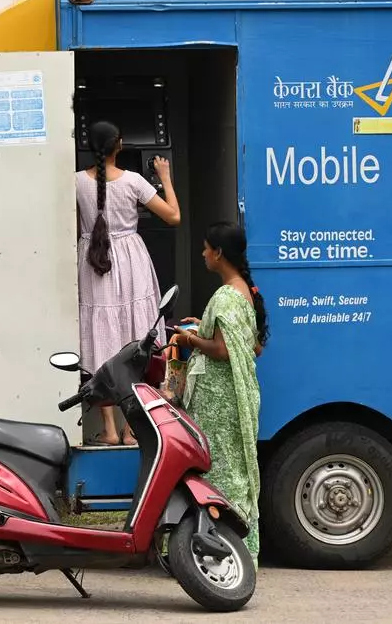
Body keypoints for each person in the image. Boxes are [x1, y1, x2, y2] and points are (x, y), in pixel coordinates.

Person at [76, 120, 180, 446]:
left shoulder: (76, 182)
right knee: (134, 336)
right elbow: (173, 216)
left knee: (101, 335)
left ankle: (107, 428)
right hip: (130, 259)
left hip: (93, 260)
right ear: (119, 145)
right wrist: (164, 178)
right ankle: (131, 428)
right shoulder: (134, 181)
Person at [176, 221, 267, 563]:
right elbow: (253, 346)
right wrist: (201, 326)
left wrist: (189, 339)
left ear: (218, 253)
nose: (202, 254)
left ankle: (223, 548)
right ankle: (236, 546)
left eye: (205, 248)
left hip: (219, 401)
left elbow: (223, 350)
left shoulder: (226, 295)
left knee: (220, 473)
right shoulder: (244, 291)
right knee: (234, 471)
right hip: (234, 398)